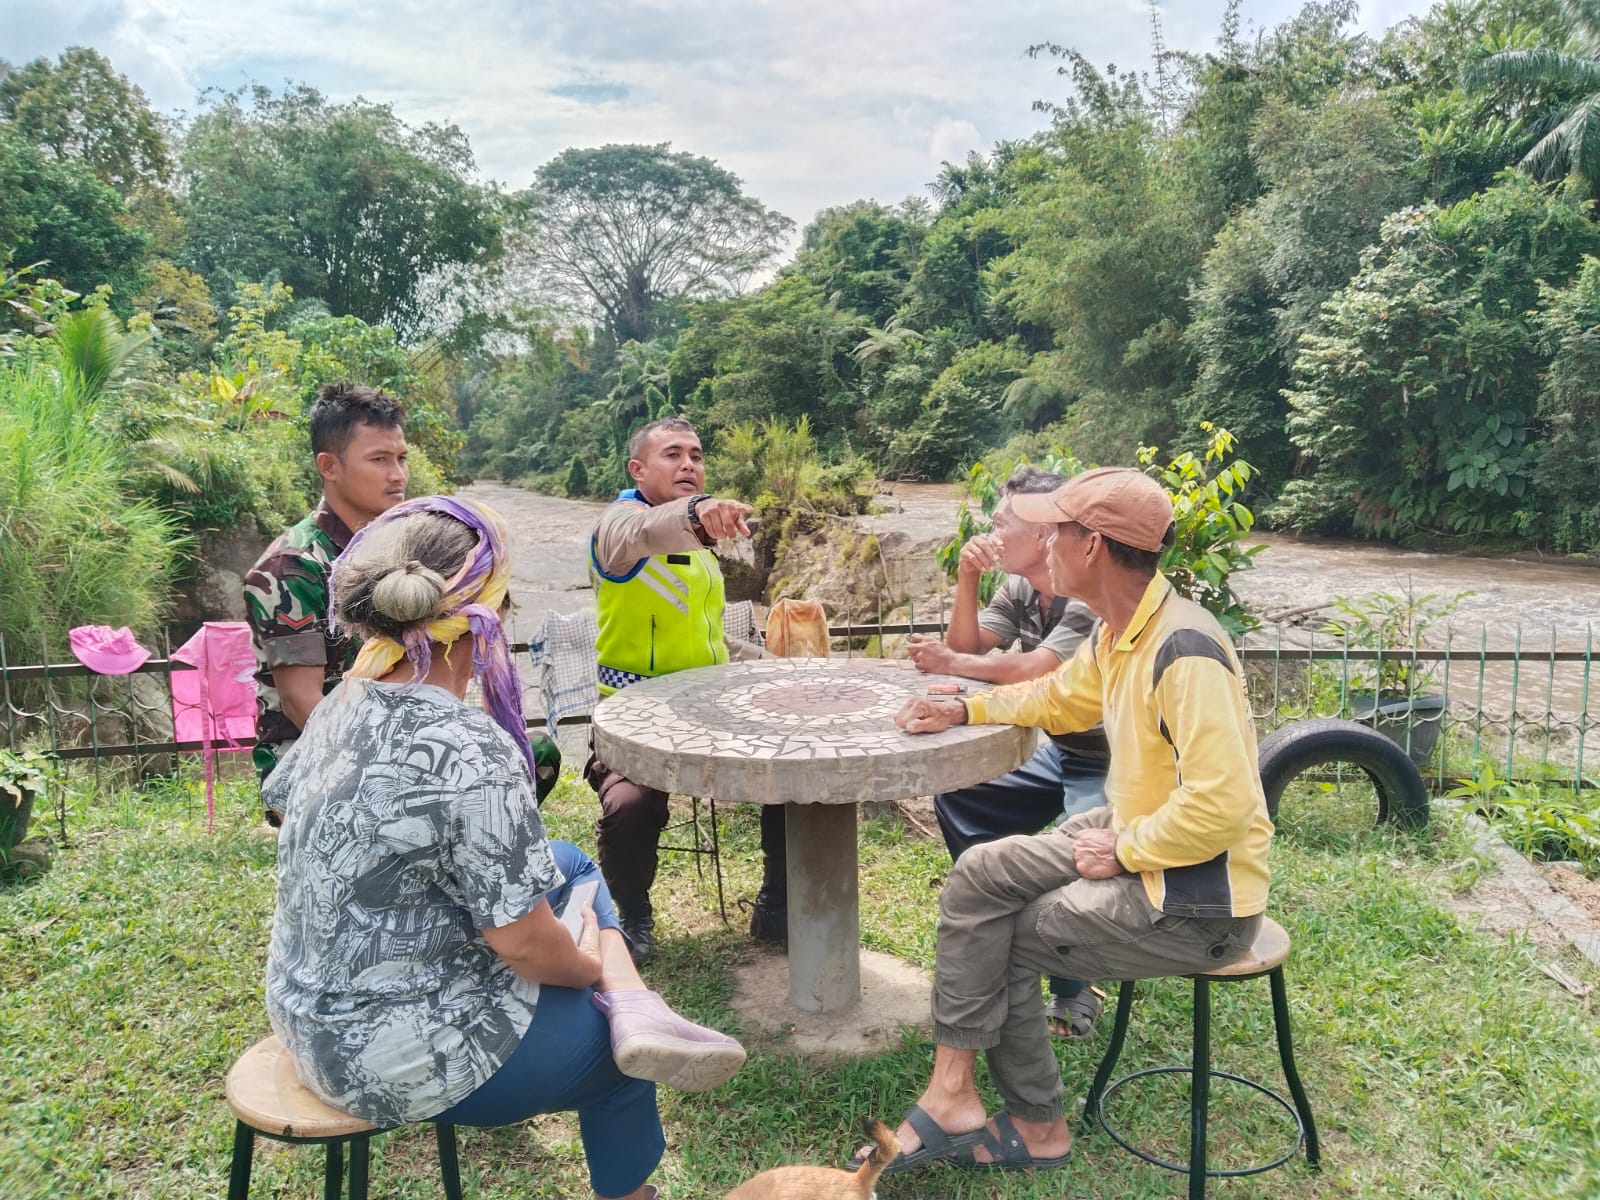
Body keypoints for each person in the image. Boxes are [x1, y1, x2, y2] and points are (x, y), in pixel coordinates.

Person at [265, 495, 746, 1200]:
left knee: (572, 862)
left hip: (304, 1015)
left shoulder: (343, 700)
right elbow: (524, 947)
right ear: (489, 614)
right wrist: (588, 967)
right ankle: (629, 1057)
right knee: (621, 1064)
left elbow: (287, 801)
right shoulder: (470, 748)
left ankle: (633, 994)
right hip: (391, 1057)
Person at [860, 467, 1273, 1173]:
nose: (1044, 543)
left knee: (1006, 934)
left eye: (1055, 531)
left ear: (1094, 546)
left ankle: (1037, 1124)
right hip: (1137, 832)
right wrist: (964, 708)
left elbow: (1223, 805)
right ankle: (952, 1091)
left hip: (1199, 897)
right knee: (980, 874)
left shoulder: (1184, 649)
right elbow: (1057, 698)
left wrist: (1128, 849)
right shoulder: (1120, 633)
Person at [905, 466, 1111, 1041]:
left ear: (1045, 531)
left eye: (1002, 523)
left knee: (1076, 846)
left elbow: (1037, 670)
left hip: (1113, 758)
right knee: (961, 793)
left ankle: (1073, 985)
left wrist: (952, 664)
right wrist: (967, 575)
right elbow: (969, 647)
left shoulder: (1088, 591)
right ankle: (1000, 911)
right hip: (1060, 748)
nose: (991, 532)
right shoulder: (1020, 587)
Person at [587, 416, 784, 964]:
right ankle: (633, 912)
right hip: (635, 716)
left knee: (793, 768)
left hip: (710, 706)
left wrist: (778, 668)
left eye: (696, 455)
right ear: (638, 470)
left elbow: (711, 635)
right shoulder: (617, 531)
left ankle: (778, 901)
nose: (688, 464)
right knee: (628, 805)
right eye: (672, 454)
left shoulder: (698, 546)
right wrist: (697, 512)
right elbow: (643, 531)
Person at [243, 384, 409, 811]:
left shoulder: (391, 549)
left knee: (526, 755)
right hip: (312, 764)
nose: (397, 475)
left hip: (386, 740)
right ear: (329, 466)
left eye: (401, 458)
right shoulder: (292, 567)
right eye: (379, 459)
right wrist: (398, 774)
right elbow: (304, 704)